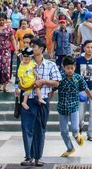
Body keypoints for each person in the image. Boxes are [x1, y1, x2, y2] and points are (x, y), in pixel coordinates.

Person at [20, 38, 61, 167]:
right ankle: (29, 156)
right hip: (29, 99)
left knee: (40, 129)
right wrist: (24, 85)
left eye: (34, 47)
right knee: (27, 128)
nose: (32, 49)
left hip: (42, 101)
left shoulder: (50, 65)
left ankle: (38, 157)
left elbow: (57, 82)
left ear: (41, 49)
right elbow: (19, 81)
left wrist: (43, 81)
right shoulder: (26, 63)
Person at [55, 55, 92, 157]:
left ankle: (76, 135)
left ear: (75, 67)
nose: (70, 70)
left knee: (75, 128)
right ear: (63, 67)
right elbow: (53, 89)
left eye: (72, 68)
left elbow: (86, 89)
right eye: (67, 68)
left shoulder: (78, 78)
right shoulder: (59, 78)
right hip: (62, 107)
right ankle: (70, 148)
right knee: (63, 131)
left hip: (74, 106)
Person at [0, 13, 16, 92]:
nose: (1, 21)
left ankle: (5, 85)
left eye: (3, 20)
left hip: (6, 51)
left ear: (5, 20)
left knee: (5, 68)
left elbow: (12, 39)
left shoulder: (9, 29)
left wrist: (16, 49)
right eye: (0, 20)